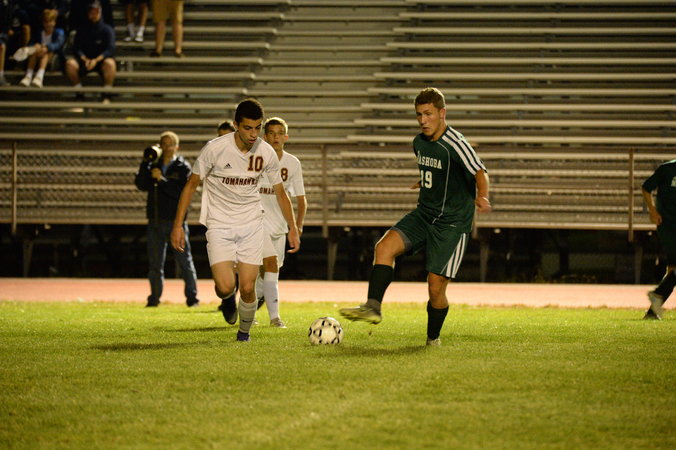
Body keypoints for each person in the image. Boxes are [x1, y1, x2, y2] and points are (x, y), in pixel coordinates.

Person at [339, 87, 491, 346]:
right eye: (419, 114)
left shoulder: (456, 143)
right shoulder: (419, 142)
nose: (423, 120)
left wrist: (483, 196)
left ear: (442, 113)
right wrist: (425, 181)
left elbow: (480, 171)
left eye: (428, 114)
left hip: (452, 223)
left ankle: (433, 338)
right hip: (424, 214)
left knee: (435, 287)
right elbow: (439, 171)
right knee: (384, 247)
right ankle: (373, 307)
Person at [170, 99, 300, 342]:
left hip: (252, 223)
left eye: (257, 128)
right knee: (225, 287)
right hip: (219, 224)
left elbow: (281, 193)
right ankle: (227, 298)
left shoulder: (265, 152)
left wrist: (293, 227)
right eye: (247, 128)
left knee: (248, 287)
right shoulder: (215, 149)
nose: (253, 134)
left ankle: (243, 335)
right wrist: (177, 225)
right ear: (236, 125)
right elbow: (191, 185)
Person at [134, 131, 200, 308]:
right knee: (155, 264)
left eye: (170, 144)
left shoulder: (182, 167)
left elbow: (180, 192)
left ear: (177, 147)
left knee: (184, 262)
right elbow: (140, 184)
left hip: (175, 222)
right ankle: (154, 299)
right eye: (163, 144)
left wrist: (161, 180)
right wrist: (145, 163)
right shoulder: (153, 164)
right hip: (155, 220)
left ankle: (192, 299)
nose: (166, 147)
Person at [254, 117, 307, 328]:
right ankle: (275, 318)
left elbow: (301, 199)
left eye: (279, 133)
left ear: (286, 137)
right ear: (265, 137)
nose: (275, 137)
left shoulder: (292, 163)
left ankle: (244, 309)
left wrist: (297, 226)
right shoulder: (254, 159)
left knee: (267, 274)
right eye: (271, 133)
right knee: (269, 269)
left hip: (279, 226)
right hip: (256, 223)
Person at [641, 158, 676, 320]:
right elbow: (646, 187)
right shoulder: (667, 169)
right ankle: (657, 296)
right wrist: (652, 211)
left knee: (673, 269)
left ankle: (653, 310)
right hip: (668, 225)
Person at [64, 0, 116, 100]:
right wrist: (85, 59)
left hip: (100, 60)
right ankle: (79, 93)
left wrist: (96, 60)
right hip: (84, 60)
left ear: (100, 12)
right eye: (91, 12)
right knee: (70, 64)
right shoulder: (81, 29)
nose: (93, 14)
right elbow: (77, 48)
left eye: (96, 12)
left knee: (110, 63)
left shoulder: (107, 29)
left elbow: (110, 49)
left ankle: (107, 94)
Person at [19, 8, 65, 88]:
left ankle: (39, 77)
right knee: (34, 52)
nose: (48, 24)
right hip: (37, 55)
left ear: (54, 22)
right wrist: (35, 46)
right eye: (46, 22)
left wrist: (47, 47)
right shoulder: (39, 33)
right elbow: (31, 43)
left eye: (50, 21)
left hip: (54, 57)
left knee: (45, 53)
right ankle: (28, 76)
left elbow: (58, 45)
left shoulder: (59, 32)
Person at [0, 0, 31, 86]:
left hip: (11, 36)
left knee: (1, 45)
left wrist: (8, 30)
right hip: (3, 33)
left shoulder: (19, 10)